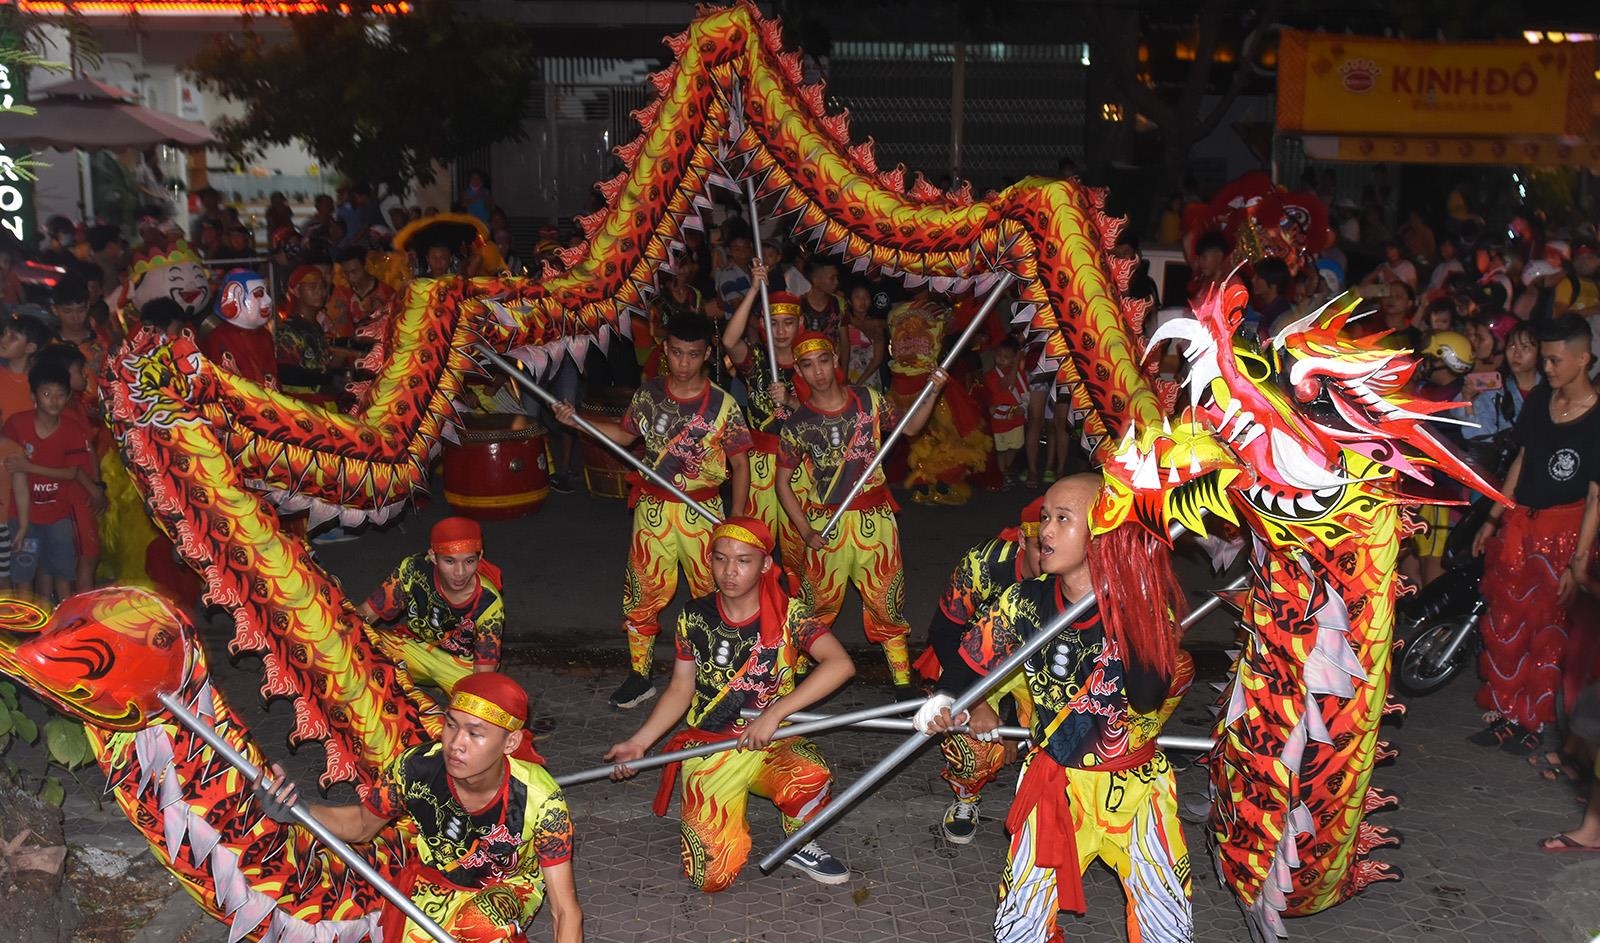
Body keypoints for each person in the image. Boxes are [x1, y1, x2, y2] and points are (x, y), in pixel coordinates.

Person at [917, 475, 1194, 943]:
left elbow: (1147, 697)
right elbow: (970, 658)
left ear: (1103, 530)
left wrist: (1135, 618)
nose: (1045, 530)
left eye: (1062, 519)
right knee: (1018, 927)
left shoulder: (1144, 608)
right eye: (1045, 517)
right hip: (1054, 782)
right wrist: (947, 697)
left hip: (1135, 789)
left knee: (1165, 922)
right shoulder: (1025, 600)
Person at [604, 516, 855, 889]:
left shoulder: (791, 615)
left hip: (770, 740)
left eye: (743, 560)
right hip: (712, 746)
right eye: (720, 559)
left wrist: (775, 714)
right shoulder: (693, 616)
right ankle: (728, 818)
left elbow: (840, 665)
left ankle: (800, 840)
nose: (729, 571)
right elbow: (680, 688)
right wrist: (640, 743)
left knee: (811, 772)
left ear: (765, 565)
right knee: (711, 878)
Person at [254, 672, 582, 943]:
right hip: (435, 881)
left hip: (508, 885)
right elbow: (361, 825)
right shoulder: (415, 768)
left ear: (510, 743)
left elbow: (565, 910)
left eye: (475, 733)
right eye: (452, 725)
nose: (456, 744)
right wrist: (298, 809)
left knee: (480, 926)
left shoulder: (541, 800)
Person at [552, 314, 753, 710]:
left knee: (715, 594)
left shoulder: (722, 404)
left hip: (704, 514)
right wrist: (578, 421)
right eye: (677, 353)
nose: (684, 363)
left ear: (707, 355)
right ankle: (639, 675)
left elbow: (741, 465)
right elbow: (626, 436)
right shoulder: (649, 394)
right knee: (642, 592)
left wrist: (737, 523)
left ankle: (717, 673)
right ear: (666, 350)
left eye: (693, 355)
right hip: (654, 511)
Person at [776, 331, 943, 692]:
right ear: (799, 373)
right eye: (808, 365)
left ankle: (901, 683)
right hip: (826, 525)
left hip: (874, 520)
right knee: (816, 604)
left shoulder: (869, 401)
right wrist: (805, 530)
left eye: (823, 361)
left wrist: (931, 391)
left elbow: (911, 426)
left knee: (886, 598)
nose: (818, 372)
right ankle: (802, 677)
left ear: (836, 360)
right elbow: (782, 483)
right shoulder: (798, 424)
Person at [1471, 315, 1600, 755]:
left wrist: (1578, 560)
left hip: (1566, 531)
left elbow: (1597, 495)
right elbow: (1523, 459)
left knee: (1549, 630)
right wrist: (1493, 518)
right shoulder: (1541, 397)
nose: (1546, 367)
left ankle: (1534, 721)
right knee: (1506, 622)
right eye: (1544, 359)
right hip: (1521, 525)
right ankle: (1506, 714)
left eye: (1554, 359)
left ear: (1583, 359)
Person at [916, 496, 1043, 843]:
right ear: (1021, 540)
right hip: (975, 663)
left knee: (1064, 734)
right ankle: (966, 798)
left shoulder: (1080, 568)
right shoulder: (985, 564)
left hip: (1041, 666)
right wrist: (976, 701)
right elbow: (943, 631)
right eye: (1041, 547)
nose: (1051, 558)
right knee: (971, 742)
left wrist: (1017, 724)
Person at [357, 517, 506, 695]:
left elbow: (483, 674)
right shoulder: (413, 569)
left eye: (469, 561)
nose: (460, 573)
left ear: (480, 557)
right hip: (413, 648)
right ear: (433, 556)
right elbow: (365, 613)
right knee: (355, 645)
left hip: (461, 666)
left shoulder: (489, 602)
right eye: (449, 561)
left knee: (481, 704)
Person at [722, 267, 807, 568]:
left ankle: (799, 604)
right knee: (756, 540)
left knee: (800, 543)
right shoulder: (756, 359)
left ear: (801, 324)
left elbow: (827, 412)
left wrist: (791, 401)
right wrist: (754, 290)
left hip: (800, 465)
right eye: (773, 324)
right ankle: (759, 603)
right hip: (758, 465)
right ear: (762, 325)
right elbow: (729, 341)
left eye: (788, 323)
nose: (781, 330)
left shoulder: (812, 361)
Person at [3, 364, 101, 601]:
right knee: (23, 576)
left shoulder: (71, 430)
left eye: (60, 395)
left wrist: (29, 467)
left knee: (62, 573)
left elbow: (72, 472)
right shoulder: (17, 425)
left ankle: (62, 628)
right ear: (33, 397)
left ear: (68, 397)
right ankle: (27, 628)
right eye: (46, 394)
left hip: (58, 515)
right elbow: (11, 470)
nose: (54, 401)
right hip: (22, 515)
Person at [200, 270, 278, 389]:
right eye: (258, 294)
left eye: (267, 293)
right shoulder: (218, 338)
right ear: (235, 295)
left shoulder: (264, 335)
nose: (268, 300)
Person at [983, 337, 1029, 484]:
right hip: (999, 419)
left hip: (1015, 417)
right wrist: (1015, 363)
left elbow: (1024, 393)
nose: (1001, 360)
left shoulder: (1021, 375)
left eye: (1006, 357)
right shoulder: (991, 375)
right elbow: (1005, 384)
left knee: (1014, 446)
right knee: (1001, 449)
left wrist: (1023, 407)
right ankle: (1002, 474)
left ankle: (1006, 470)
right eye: (999, 356)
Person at [0, 315, 49, 424]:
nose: (3, 339)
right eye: (4, 333)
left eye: (13, 337)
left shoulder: (42, 384)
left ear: (30, 348)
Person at [843, 283, 886, 389]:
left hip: (869, 378)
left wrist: (859, 383)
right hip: (847, 376)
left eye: (866, 297)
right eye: (857, 297)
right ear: (849, 301)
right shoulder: (845, 324)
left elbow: (878, 359)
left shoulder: (876, 325)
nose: (862, 301)